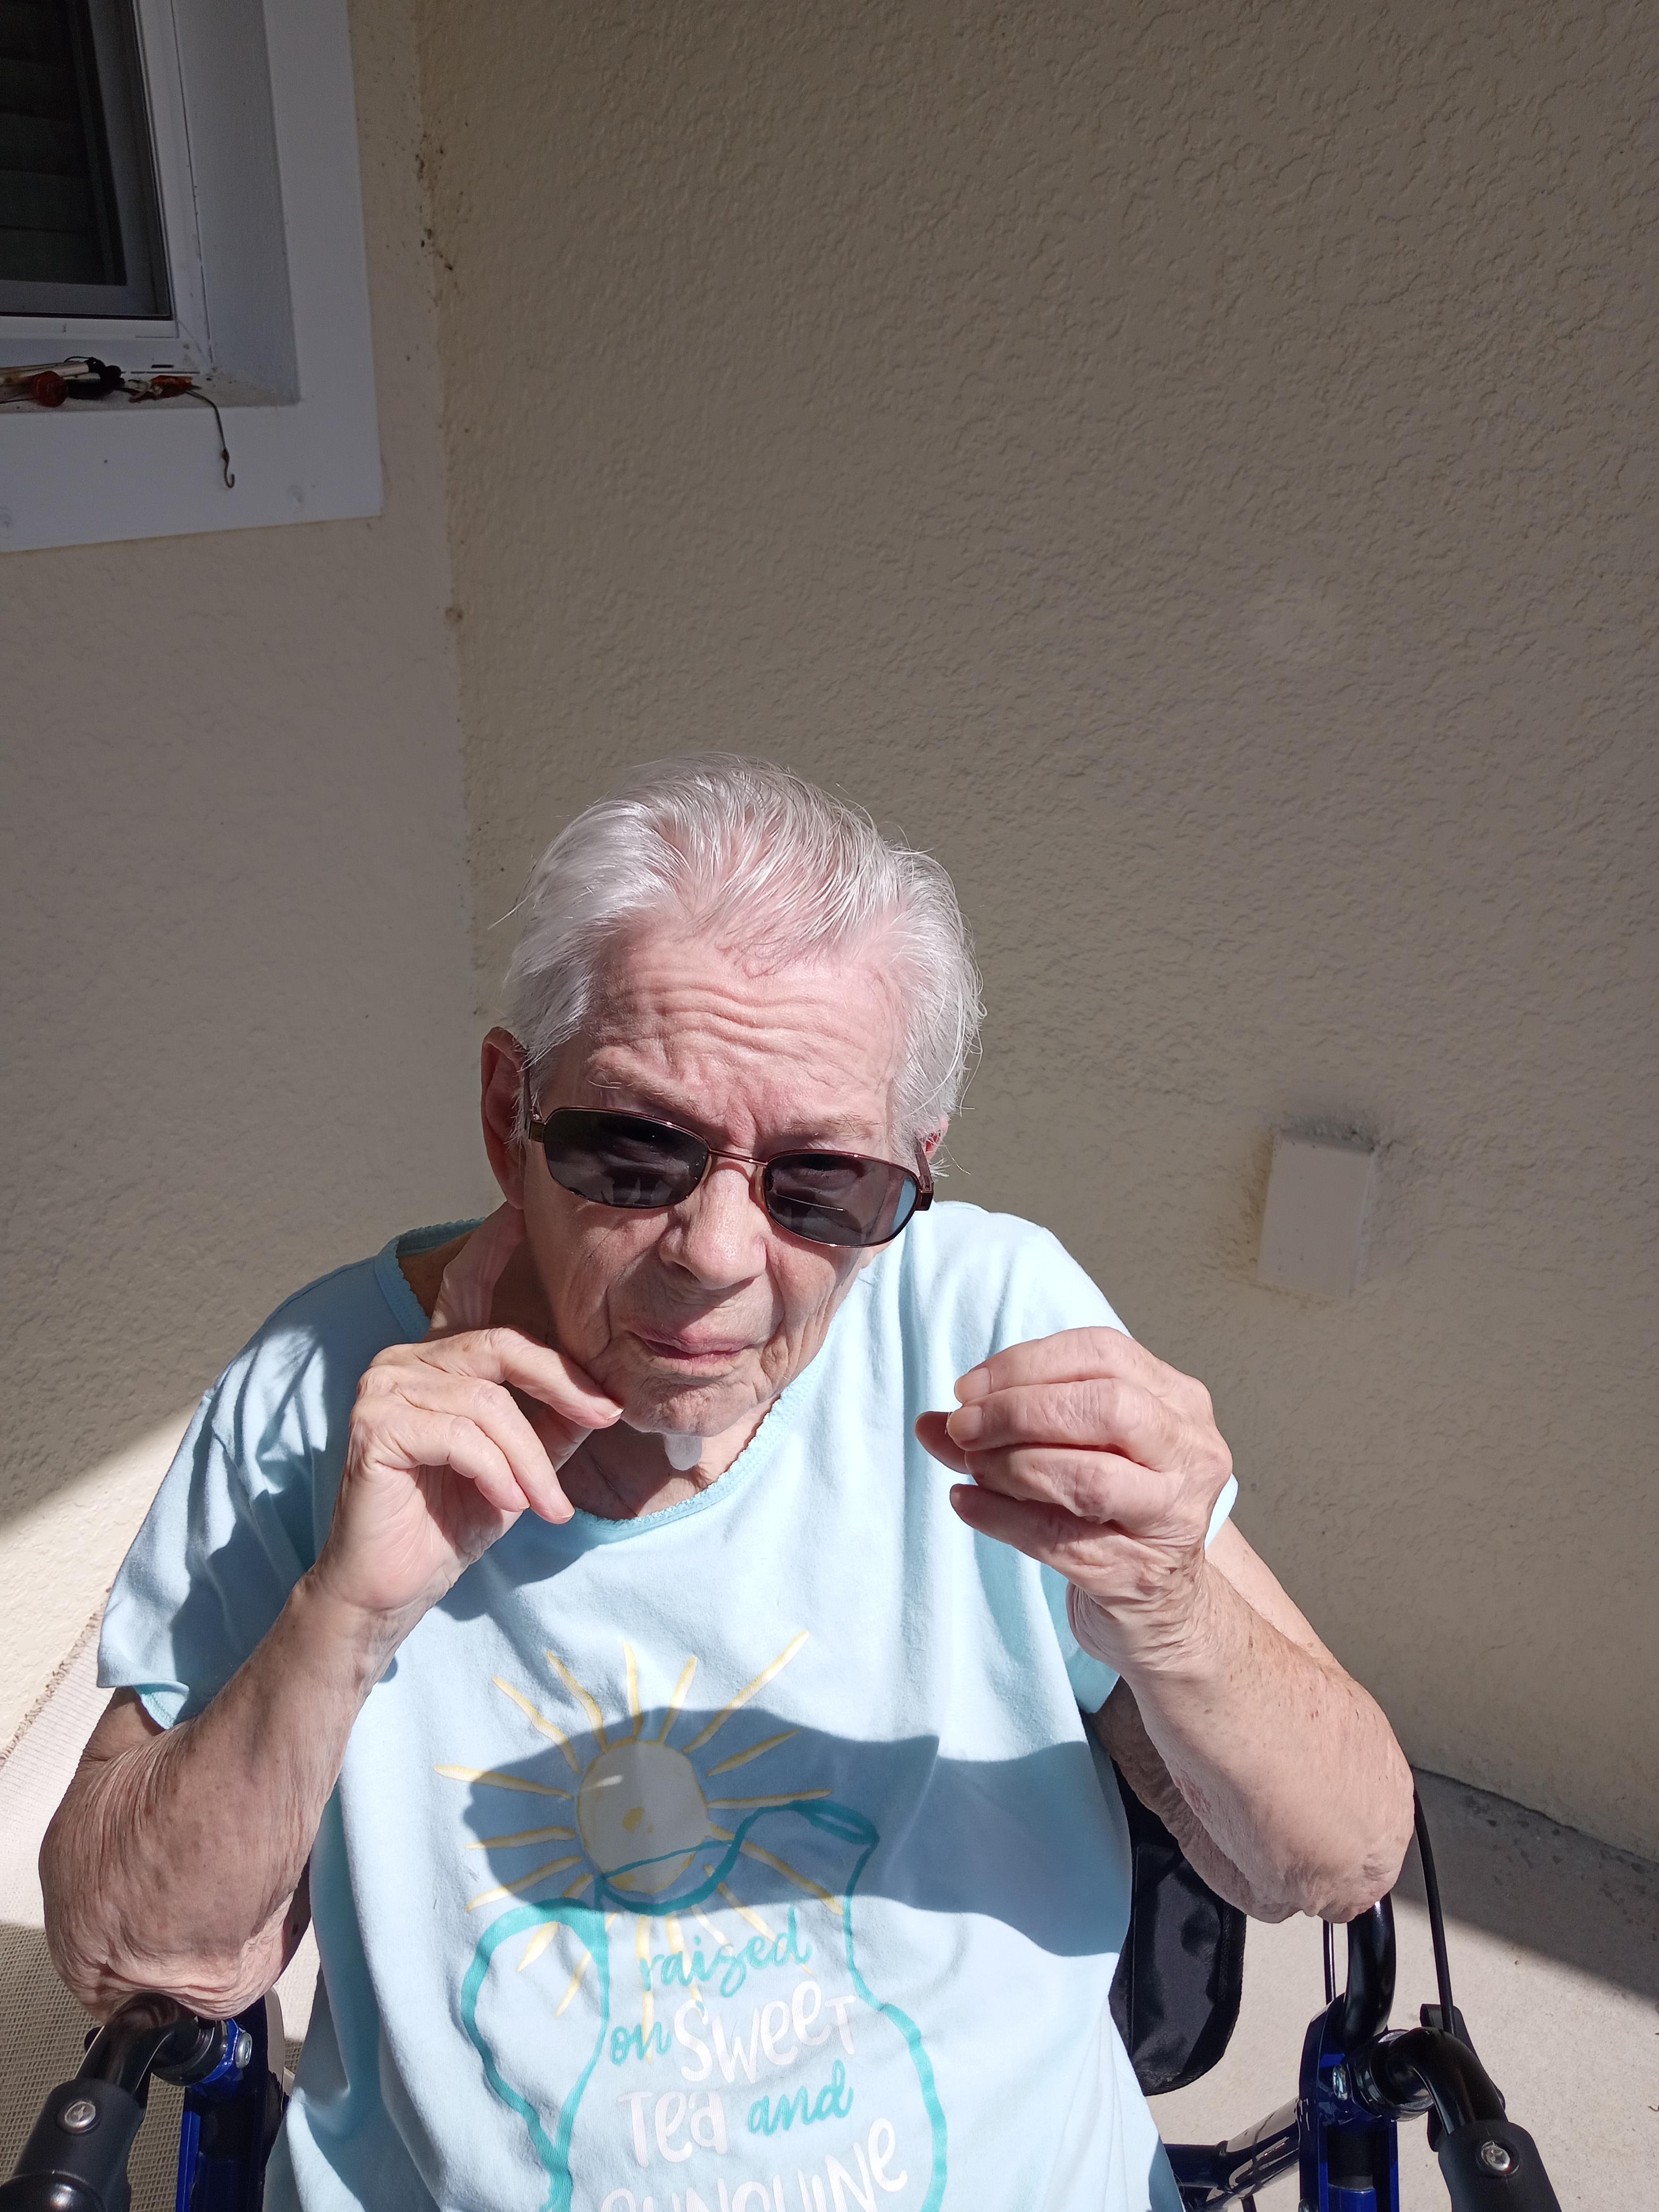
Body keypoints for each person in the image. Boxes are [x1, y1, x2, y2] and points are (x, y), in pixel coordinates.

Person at [43, 757, 1413, 2212]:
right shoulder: (327, 1390)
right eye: (636, 1152)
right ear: (512, 1114)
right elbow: (131, 1952)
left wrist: (1171, 1605)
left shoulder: (986, 1325)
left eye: (822, 1183)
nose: (715, 1252)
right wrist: (343, 1617)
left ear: (916, 1175)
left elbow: (1339, 1854)